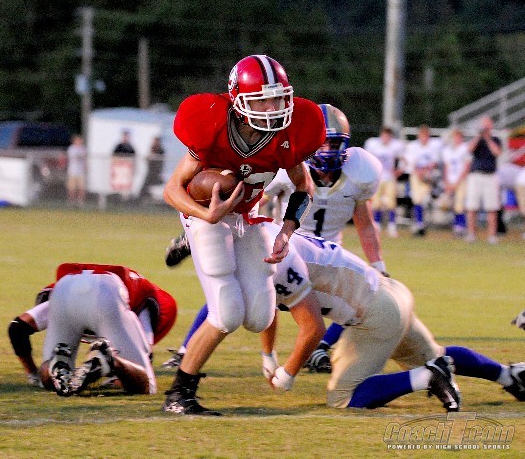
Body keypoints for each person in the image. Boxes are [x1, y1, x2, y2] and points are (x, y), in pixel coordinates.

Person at [163, 104, 388, 375]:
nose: (328, 150)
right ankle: (188, 351)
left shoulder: (360, 172)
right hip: (289, 246)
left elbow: (365, 224)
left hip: (327, 252)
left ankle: (319, 347)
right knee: (232, 292)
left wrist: (378, 265)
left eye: (334, 143)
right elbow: (254, 201)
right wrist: (232, 232)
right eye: (323, 142)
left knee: (356, 297)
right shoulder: (287, 163)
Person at [161, 54, 326, 415]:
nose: (272, 108)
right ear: (238, 100)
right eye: (262, 100)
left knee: (259, 316)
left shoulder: (290, 132)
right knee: (227, 312)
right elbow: (172, 189)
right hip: (205, 215)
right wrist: (206, 213)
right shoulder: (211, 122)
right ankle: (179, 395)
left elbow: (304, 187)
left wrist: (286, 231)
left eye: (278, 99)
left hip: (245, 216)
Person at [260, 222, 525, 408]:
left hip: (375, 312)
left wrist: (288, 373)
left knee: (342, 396)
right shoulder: (272, 238)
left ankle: (428, 377)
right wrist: (268, 355)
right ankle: (507, 375)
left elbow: (312, 328)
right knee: (437, 354)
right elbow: (268, 302)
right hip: (391, 293)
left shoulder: (272, 254)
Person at [8, 263, 177, 396]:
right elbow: (146, 356)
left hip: (64, 289)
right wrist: (116, 372)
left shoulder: (64, 286)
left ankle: (54, 365)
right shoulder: (146, 299)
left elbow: (16, 328)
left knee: (51, 376)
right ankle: (109, 360)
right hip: (109, 291)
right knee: (147, 386)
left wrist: (34, 374)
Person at [464, 116, 502, 244]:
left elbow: (496, 152)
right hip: (475, 175)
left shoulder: (495, 140)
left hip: (490, 176)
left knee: (492, 207)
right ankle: (471, 234)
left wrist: (487, 138)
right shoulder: (477, 140)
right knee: (472, 206)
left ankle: (491, 235)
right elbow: (469, 149)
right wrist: (479, 136)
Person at [364, 127, 405, 238]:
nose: (386, 138)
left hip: (389, 178)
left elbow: (404, 159)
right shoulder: (373, 144)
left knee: (391, 203)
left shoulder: (395, 146)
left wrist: (399, 170)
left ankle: (392, 226)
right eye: (384, 135)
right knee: (376, 203)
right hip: (377, 178)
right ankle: (376, 225)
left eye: (388, 136)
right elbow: (366, 159)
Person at [440, 128, 472, 236]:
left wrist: (457, 182)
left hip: (461, 180)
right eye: (455, 137)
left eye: (458, 137)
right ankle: (457, 225)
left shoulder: (465, 148)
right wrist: (447, 182)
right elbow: (446, 167)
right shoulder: (447, 150)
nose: (456, 139)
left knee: (460, 203)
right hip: (451, 181)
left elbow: (467, 167)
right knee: (452, 204)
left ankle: (461, 226)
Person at [66, 134, 87, 207]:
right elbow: (75, 157)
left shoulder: (83, 148)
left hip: (81, 172)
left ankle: (80, 202)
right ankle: (71, 201)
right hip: (72, 171)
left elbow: (84, 157)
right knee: (72, 188)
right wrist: (80, 156)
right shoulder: (71, 148)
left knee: (81, 187)